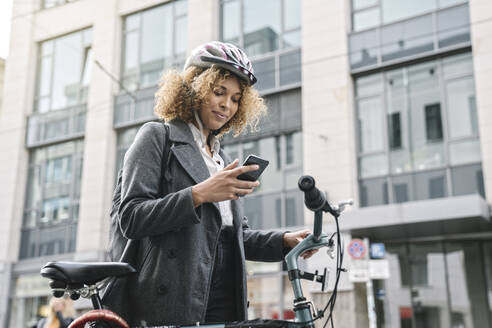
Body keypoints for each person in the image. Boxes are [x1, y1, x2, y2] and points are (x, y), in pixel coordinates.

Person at [104, 41, 315, 326]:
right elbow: (131, 218)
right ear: (194, 87)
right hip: (174, 291)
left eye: (236, 99)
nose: (227, 105)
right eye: (219, 92)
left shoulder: (220, 159)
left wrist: (283, 241)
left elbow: (234, 237)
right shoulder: (157, 137)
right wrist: (198, 194)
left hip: (225, 288)